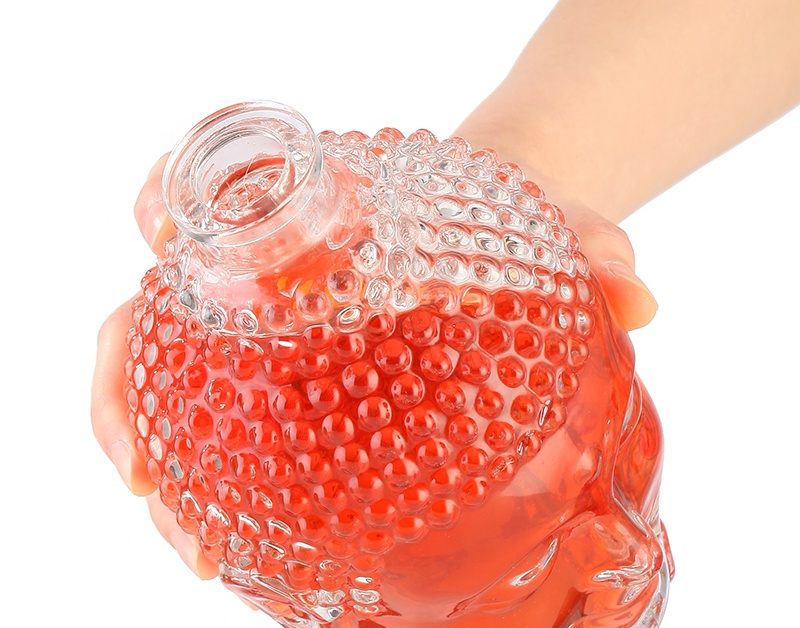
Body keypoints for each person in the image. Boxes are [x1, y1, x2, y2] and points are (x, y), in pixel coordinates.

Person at [91, 0, 800, 579]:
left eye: (619, 461)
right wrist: (517, 169)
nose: (626, 550)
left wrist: (493, 207)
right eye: (519, 577)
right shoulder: (207, 387)